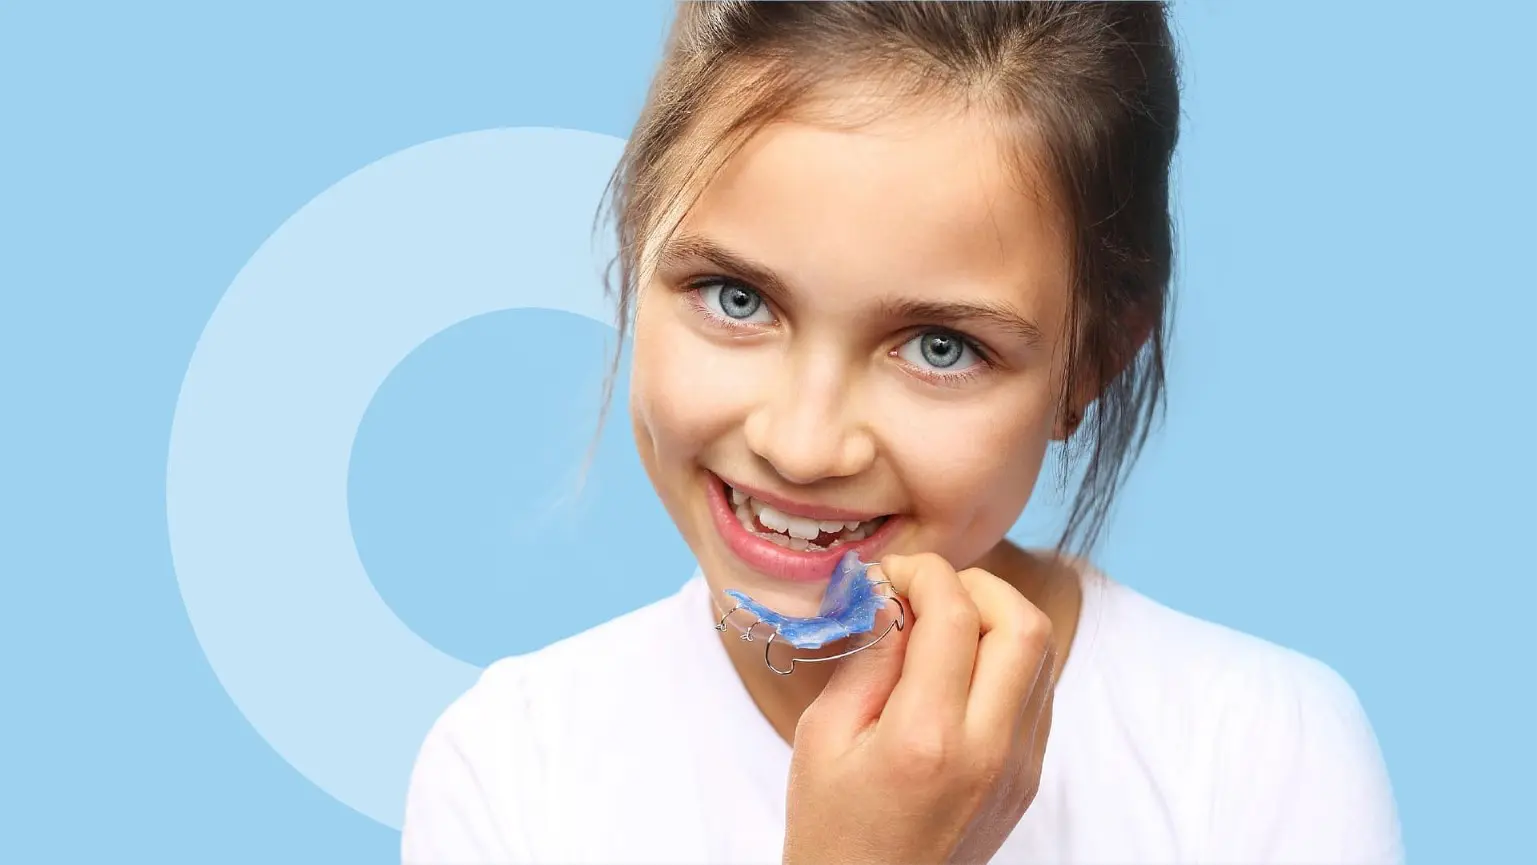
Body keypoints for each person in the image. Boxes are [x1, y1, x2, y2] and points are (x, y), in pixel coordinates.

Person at [400, 2, 1404, 863]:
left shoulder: (1256, 751)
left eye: (937, 347)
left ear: (1090, 365)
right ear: (634, 251)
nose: (800, 443)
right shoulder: (512, 766)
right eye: (735, 297)